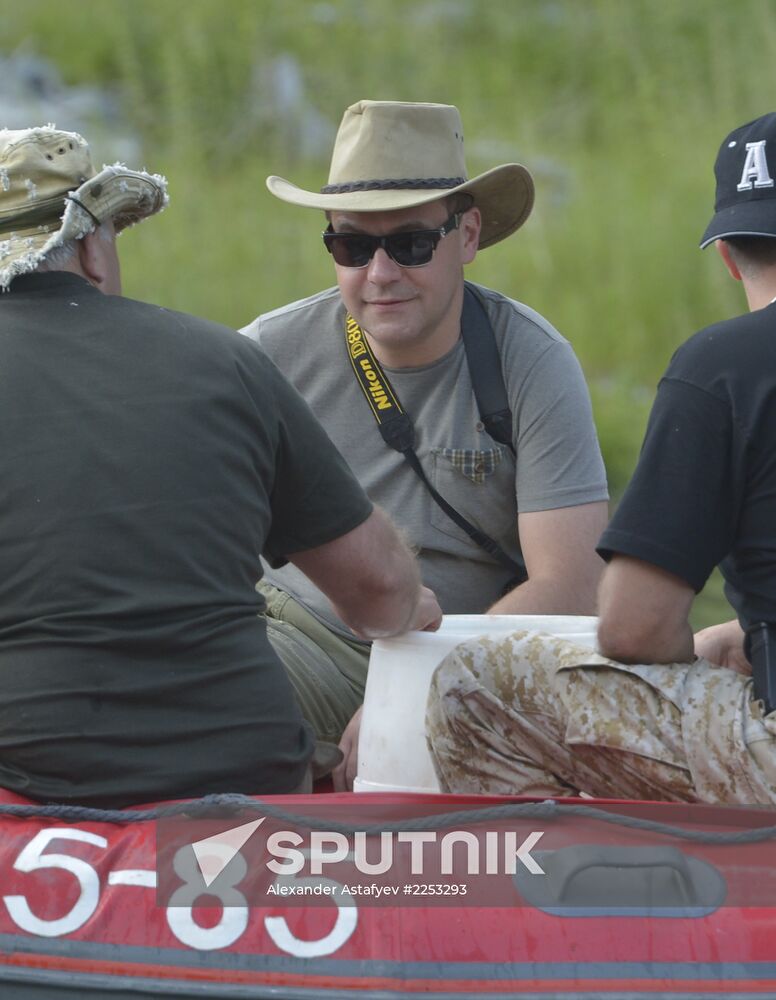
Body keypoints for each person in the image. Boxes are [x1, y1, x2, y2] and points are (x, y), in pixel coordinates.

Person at [0, 125, 440, 809]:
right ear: (92, 247)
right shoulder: (223, 359)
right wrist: (410, 600)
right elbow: (381, 592)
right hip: (244, 786)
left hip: (33, 800)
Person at [242, 100, 609, 783]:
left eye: (410, 244)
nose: (380, 273)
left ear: (467, 235)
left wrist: (411, 688)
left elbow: (573, 582)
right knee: (205, 696)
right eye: (352, 247)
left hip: (462, 656)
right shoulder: (267, 352)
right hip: (299, 634)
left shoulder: (530, 360)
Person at [427, 111, 776, 804]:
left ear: (728, 257)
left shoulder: (724, 365)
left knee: (476, 682)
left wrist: (719, 649)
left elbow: (635, 624)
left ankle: (583, 872)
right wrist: (751, 634)